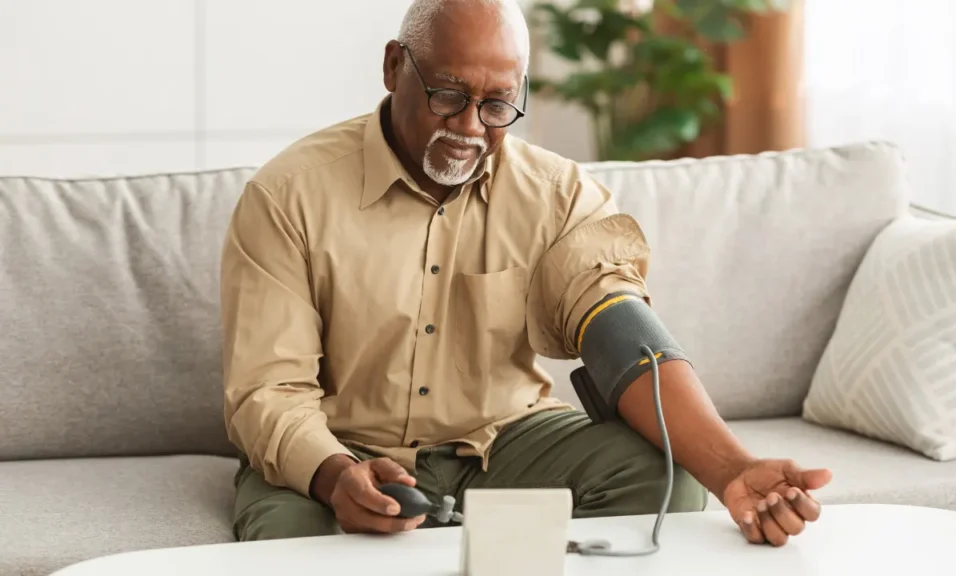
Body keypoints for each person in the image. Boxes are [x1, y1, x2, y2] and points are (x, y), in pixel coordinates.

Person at [219, 0, 832, 549]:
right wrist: (332, 477)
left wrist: (729, 469)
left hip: (502, 441)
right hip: (340, 444)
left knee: (663, 482)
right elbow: (268, 390)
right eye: (448, 95)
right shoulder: (288, 195)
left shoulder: (559, 195)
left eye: (496, 105)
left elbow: (619, 333)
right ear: (393, 68)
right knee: (289, 543)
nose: (468, 128)